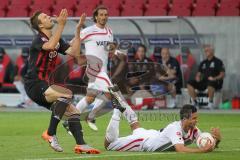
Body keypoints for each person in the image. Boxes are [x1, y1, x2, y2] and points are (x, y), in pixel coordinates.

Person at [24, 9, 100, 154]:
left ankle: (81, 144)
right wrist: (61, 25)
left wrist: (77, 31)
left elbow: (75, 52)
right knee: (66, 94)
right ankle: (50, 133)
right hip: (34, 84)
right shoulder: (38, 40)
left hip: (45, 85)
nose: (49, 17)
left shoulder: (56, 39)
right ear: (41, 25)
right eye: (45, 17)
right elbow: (50, 46)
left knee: (74, 112)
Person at [75, 5, 138, 131]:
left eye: (106, 15)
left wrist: (117, 52)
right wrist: (77, 30)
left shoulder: (109, 32)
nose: (104, 17)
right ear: (96, 17)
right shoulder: (88, 31)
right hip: (94, 69)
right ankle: (133, 122)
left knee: (90, 97)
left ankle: (74, 119)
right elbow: (75, 41)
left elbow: (109, 48)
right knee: (112, 93)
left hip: (102, 70)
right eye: (101, 15)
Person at [104, 104, 221, 153]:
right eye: (194, 118)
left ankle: (120, 102)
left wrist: (216, 139)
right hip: (142, 142)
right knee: (108, 145)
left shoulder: (194, 129)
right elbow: (181, 149)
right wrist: (202, 151)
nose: (196, 121)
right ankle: (116, 111)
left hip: (154, 135)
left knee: (135, 124)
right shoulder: (175, 128)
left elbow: (205, 141)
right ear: (185, 119)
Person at [187, 44, 225, 109]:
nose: (206, 52)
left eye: (207, 50)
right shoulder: (203, 62)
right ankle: (195, 102)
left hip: (215, 82)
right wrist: (197, 78)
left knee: (210, 83)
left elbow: (222, 74)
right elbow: (198, 74)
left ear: (212, 51)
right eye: (205, 51)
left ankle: (210, 102)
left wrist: (214, 78)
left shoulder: (218, 61)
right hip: (204, 82)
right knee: (189, 83)